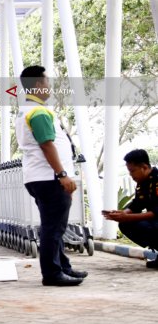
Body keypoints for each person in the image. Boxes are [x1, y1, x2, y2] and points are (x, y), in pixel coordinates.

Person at [16, 65, 86, 287]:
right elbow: (47, 145)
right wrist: (62, 174)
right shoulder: (38, 111)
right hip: (49, 177)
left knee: (55, 226)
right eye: (47, 82)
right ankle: (52, 273)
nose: (49, 86)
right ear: (38, 85)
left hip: (40, 176)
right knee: (53, 228)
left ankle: (63, 267)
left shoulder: (28, 109)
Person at [103, 149, 158, 268]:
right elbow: (137, 204)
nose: (131, 175)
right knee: (125, 224)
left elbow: (156, 212)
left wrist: (127, 217)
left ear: (144, 167)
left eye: (132, 171)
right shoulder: (143, 182)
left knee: (143, 224)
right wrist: (122, 213)